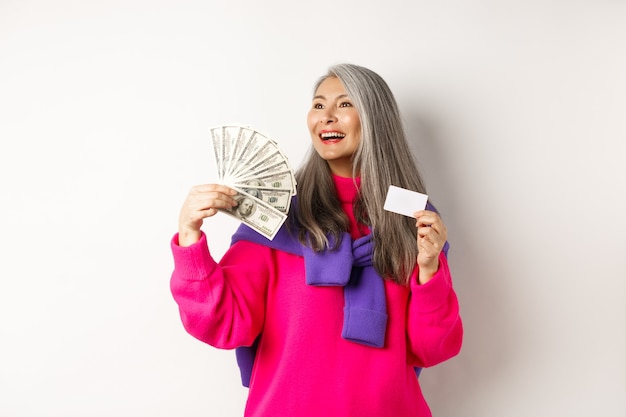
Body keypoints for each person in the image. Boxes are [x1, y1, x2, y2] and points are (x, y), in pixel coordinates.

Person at [170, 63, 463, 417]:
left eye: (343, 105)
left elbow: (434, 348)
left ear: (374, 118)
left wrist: (429, 269)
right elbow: (224, 323)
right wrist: (190, 239)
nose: (326, 117)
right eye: (319, 105)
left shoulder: (411, 218)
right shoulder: (276, 217)